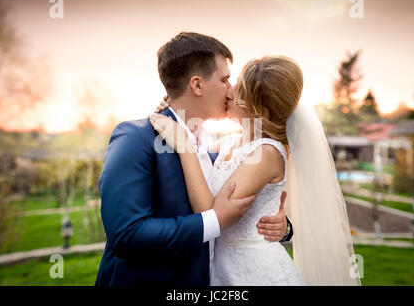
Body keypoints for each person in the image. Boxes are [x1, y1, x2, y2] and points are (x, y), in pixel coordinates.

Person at [95, 32, 292, 286]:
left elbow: (249, 191)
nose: (231, 92)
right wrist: (213, 220)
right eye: (225, 80)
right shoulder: (136, 138)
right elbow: (127, 234)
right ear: (197, 85)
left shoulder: (216, 148)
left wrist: (283, 226)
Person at [150, 55, 361, 285]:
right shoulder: (231, 142)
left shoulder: (267, 154)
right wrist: (175, 110)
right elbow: (197, 154)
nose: (228, 92)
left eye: (239, 92)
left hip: (255, 273)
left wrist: (184, 147)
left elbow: (210, 213)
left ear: (261, 110)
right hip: (223, 269)